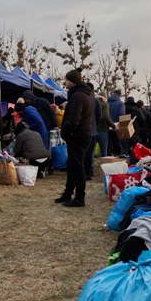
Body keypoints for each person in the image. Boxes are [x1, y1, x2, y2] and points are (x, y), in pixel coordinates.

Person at [55, 68, 94, 208]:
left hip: (78, 135)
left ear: (72, 81)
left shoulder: (78, 96)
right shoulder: (85, 94)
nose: (65, 82)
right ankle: (68, 194)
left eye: (66, 80)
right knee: (72, 166)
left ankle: (79, 198)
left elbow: (73, 119)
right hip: (83, 134)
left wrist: (66, 132)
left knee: (77, 167)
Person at [96, 93, 115, 157]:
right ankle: (103, 166)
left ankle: (90, 166)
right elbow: (106, 116)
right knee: (103, 151)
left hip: (93, 130)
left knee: (91, 151)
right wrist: (113, 126)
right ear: (104, 97)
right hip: (102, 130)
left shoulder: (93, 103)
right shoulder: (105, 104)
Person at [107, 90, 125, 155]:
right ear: (119, 95)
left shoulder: (107, 102)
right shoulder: (120, 103)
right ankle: (118, 158)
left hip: (107, 126)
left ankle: (107, 159)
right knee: (117, 144)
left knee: (108, 145)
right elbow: (121, 115)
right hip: (116, 127)